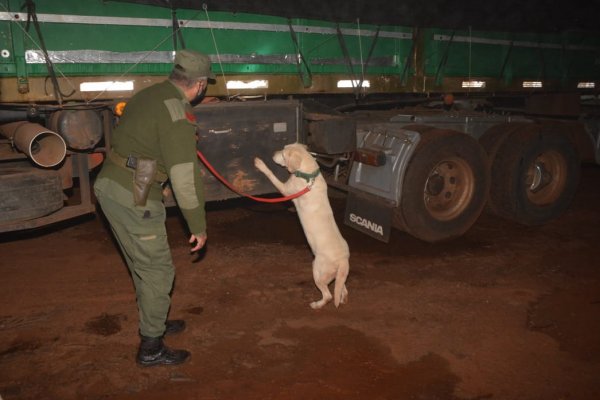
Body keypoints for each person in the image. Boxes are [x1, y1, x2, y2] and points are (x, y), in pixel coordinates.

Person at [94, 49, 215, 367]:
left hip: (111, 183)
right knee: (158, 271)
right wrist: (197, 226)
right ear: (200, 85)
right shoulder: (178, 113)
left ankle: (155, 320)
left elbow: (134, 144)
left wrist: (152, 185)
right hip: (128, 193)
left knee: (141, 263)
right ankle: (151, 347)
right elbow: (185, 178)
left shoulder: (148, 94)